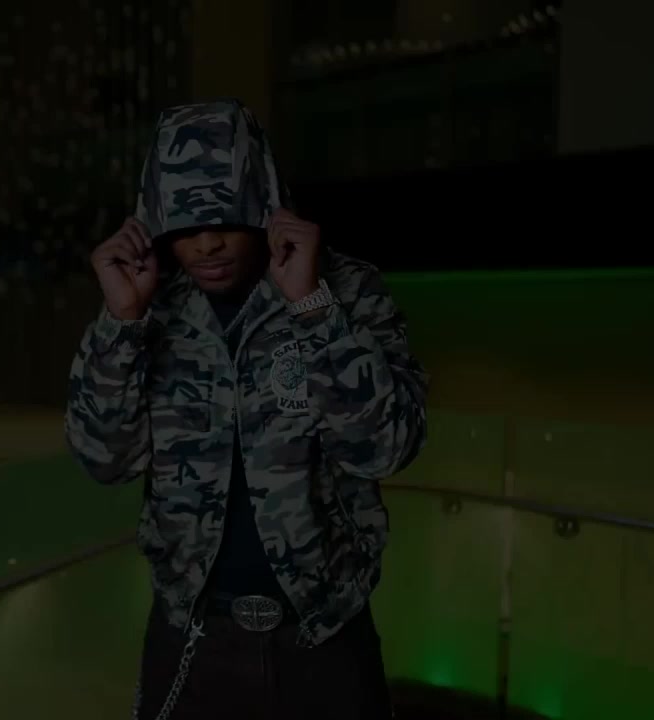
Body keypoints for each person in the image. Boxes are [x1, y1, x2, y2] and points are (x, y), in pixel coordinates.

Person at [64, 98, 429, 720]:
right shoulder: (146, 304)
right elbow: (105, 461)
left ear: (265, 204)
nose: (207, 243)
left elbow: (386, 448)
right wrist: (122, 322)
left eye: (226, 220)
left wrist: (311, 306)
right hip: (191, 634)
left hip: (326, 634)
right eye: (186, 226)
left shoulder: (346, 288)